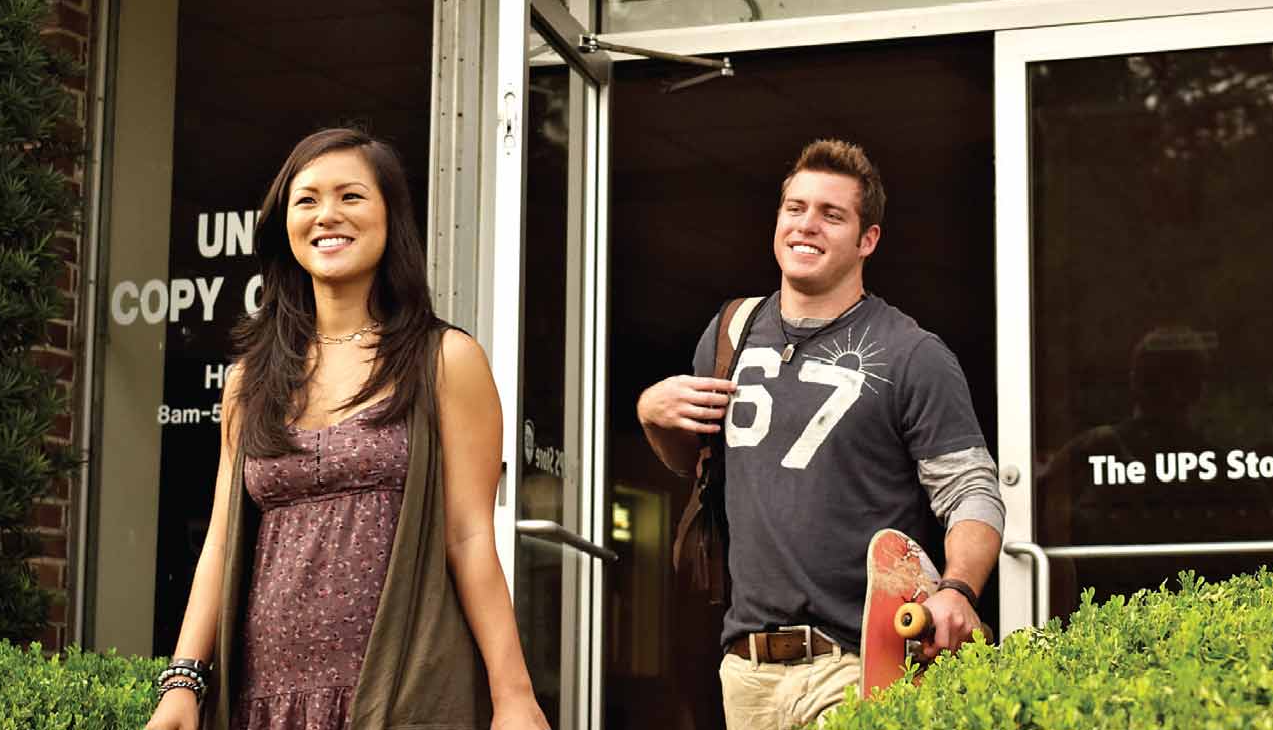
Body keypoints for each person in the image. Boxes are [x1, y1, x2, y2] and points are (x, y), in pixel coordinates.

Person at [146, 128, 550, 730]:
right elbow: (222, 541)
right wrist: (183, 682)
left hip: (400, 690)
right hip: (266, 696)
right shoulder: (250, 381)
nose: (327, 215)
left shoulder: (443, 360)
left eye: (351, 196)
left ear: (391, 218)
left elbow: (468, 536)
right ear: (284, 225)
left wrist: (514, 695)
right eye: (306, 200)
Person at [636, 139, 1004, 730]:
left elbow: (972, 490)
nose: (807, 225)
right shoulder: (731, 330)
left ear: (867, 240)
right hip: (747, 670)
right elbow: (697, 466)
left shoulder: (912, 353)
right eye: (795, 208)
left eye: (832, 214)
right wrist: (652, 414)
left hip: (864, 664)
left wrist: (958, 588)